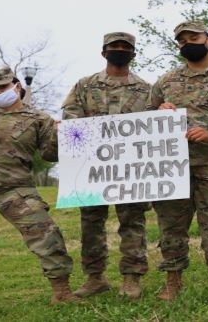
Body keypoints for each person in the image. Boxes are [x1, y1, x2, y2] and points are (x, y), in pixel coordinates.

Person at [0, 67, 81, 320]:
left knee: (46, 234)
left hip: (13, 187)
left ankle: (61, 292)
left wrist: (57, 136)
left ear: (16, 87)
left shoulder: (39, 118)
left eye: (2, 87)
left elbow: (49, 155)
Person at [149, 20, 208, 300]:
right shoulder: (166, 81)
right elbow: (144, 120)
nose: (188, 43)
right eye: (182, 40)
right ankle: (173, 280)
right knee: (171, 225)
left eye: (194, 37)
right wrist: (159, 111)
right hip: (173, 166)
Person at [61, 32, 151, 299]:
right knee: (91, 222)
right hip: (91, 168)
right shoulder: (85, 86)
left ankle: (132, 278)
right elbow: (71, 118)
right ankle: (95, 277)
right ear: (104, 52)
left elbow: (155, 124)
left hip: (131, 169)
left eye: (125, 47)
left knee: (133, 221)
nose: (120, 50)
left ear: (133, 54)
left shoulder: (147, 89)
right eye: (115, 47)